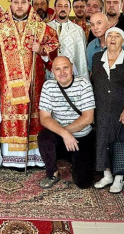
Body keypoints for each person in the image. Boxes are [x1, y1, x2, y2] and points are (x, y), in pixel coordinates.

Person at [0, 0, 59, 169]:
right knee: (9, 115)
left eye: (22, 2)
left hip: (34, 83)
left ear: (28, 3)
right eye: (16, 2)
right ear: (10, 4)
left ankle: (35, 156)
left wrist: (43, 49)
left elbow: (54, 47)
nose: (19, 6)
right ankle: (12, 158)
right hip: (7, 83)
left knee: (35, 116)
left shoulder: (41, 27)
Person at [38, 56, 96, 189]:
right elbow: (44, 118)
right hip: (61, 135)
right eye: (57, 69)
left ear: (72, 68)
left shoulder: (83, 84)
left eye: (65, 68)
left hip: (81, 136)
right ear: (52, 71)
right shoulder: (48, 86)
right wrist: (64, 134)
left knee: (83, 183)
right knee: (44, 137)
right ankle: (52, 172)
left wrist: (66, 133)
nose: (62, 72)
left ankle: (74, 158)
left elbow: (88, 118)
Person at [91, 28, 124, 194]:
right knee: (102, 140)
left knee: (121, 140)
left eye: (117, 36)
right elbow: (94, 81)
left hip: (120, 107)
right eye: (110, 35)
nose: (113, 39)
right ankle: (107, 174)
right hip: (101, 106)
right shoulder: (97, 58)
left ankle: (119, 178)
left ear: (123, 41)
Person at [47, 0, 88, 80]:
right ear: (55, 8)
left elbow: (82, 57)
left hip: (72, 75)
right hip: (51, 74)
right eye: (60, 6)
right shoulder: (46, 28)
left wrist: (84, 80)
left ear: (70, 9)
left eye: (66, 6)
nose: (63, 9)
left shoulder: (78, 30)